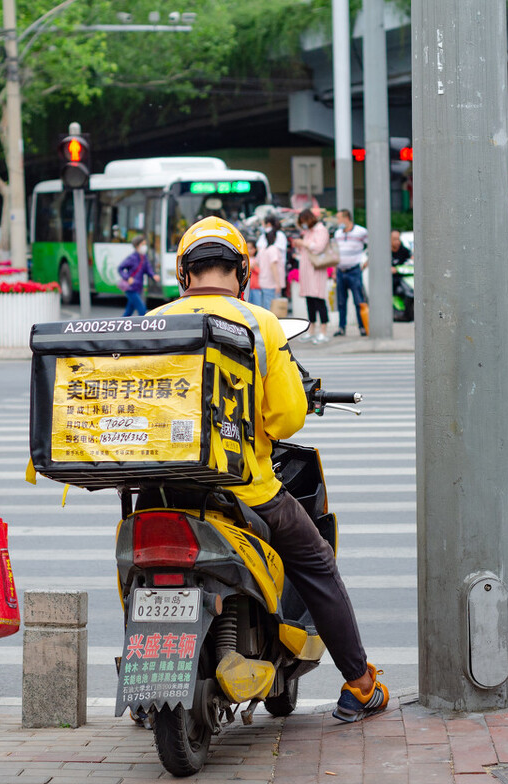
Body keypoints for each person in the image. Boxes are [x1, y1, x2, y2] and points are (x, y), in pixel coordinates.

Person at [146, 217, 388, 723]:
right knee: (317, 562)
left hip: (161, 491)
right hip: (246, 492)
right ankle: (361, 684)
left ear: (183, 273)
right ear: (242, 271)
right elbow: (284, 417)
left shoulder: (156, 320)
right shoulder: (260, 323)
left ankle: (147, 686)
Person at [290, 208, 330, 344]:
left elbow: (318, 247)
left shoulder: (320, 230)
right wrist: (299, 245)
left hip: (316, 269)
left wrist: (303, 243)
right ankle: (312, 329)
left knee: (319, 298)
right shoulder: (308, 231)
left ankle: (323, 330)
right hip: (307, 269)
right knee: (310, 300)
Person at [332, 209, 369, 337]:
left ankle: (362, 327)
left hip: (354, 270)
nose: (338, 221)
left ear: (346, 218)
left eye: (339, 218)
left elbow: (371, 245)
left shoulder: (361, 231)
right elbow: (335, 253)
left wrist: (366, 261)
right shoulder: (338, 234)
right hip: (341, 271)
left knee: (358, 300)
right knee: (341, 302)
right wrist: (334, 271)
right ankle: (342, 328)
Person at [117, 236, 159, 317]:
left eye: (145, 244)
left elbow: (148, 269)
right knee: (142, 310)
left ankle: (118, 327)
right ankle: (144, 328)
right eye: (143, 244)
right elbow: (120, 268)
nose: (145, 246)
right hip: (130, 288)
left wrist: (153, 276)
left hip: (138, 287)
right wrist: (127, 278)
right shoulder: (132, 258)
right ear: (137, 246)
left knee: (128, 312)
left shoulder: (144, 257)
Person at [253, 214, 286, 310]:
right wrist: (277, 283)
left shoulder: (263, 250)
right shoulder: (273, 249)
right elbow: (273, 266)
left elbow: (256, 263)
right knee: (273, 310)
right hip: (272, 283)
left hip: (264, 281)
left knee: (266, 307)